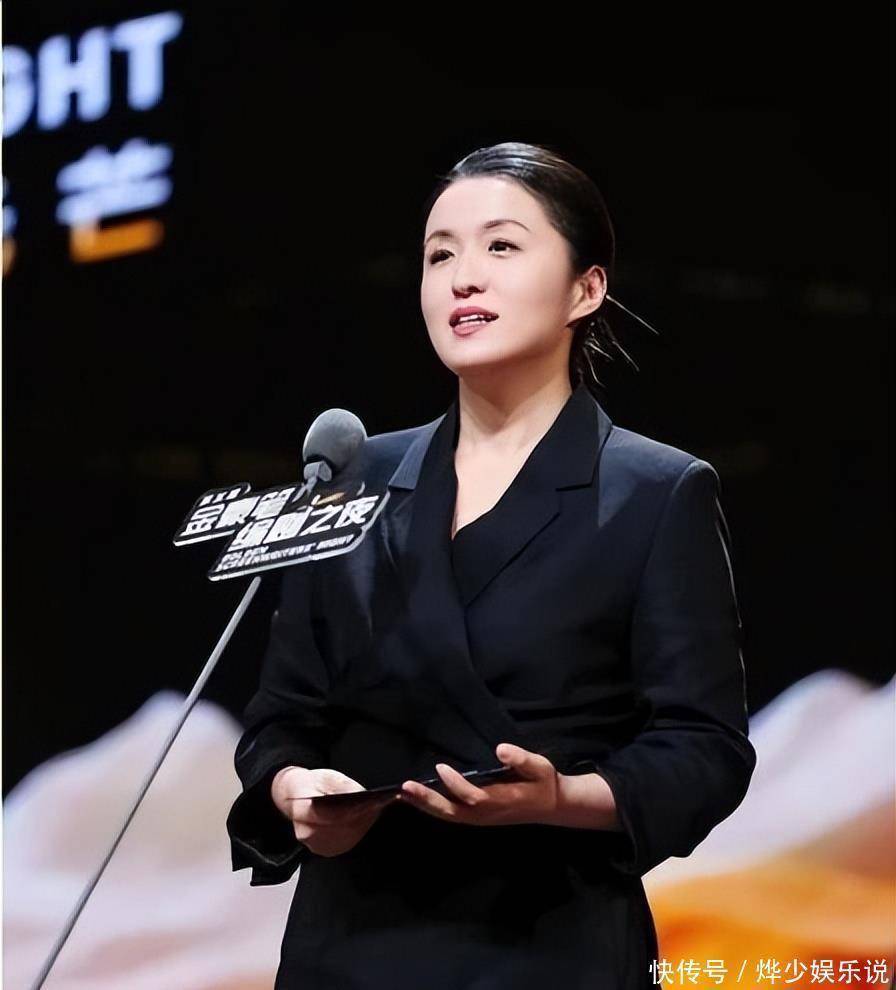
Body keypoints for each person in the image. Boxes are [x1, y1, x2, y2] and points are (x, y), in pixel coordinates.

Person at [226, 141, 757, 989]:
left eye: (501, 246)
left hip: (548, 943)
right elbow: (280, 717)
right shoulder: (354, 478)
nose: (462, 278)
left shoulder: (658, 492)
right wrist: (293, 789)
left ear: (586, 288)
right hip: (351, 943)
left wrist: (561, 798)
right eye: (440, 255)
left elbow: (705, 749)